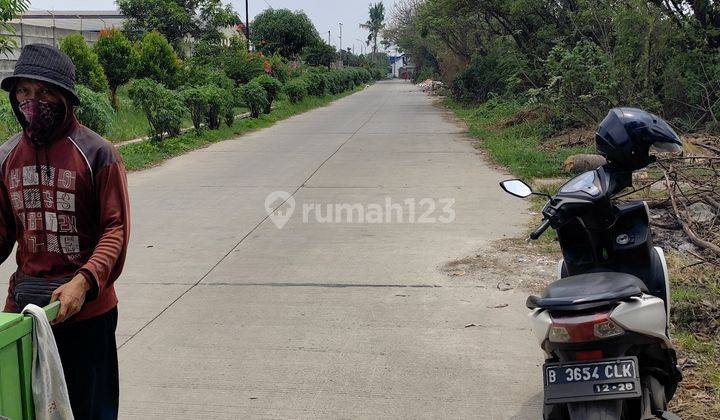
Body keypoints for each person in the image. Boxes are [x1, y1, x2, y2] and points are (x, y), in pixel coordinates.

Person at [0, 44, 130, 419]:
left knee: (89, 410)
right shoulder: (6, 157)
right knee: (25, 409)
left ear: (65, 97)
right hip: (25, 310)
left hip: (86, 311)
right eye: (23, 91)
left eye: (43, 92)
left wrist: (84, 281)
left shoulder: (97, 153)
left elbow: (115, 229)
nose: (31, 101)